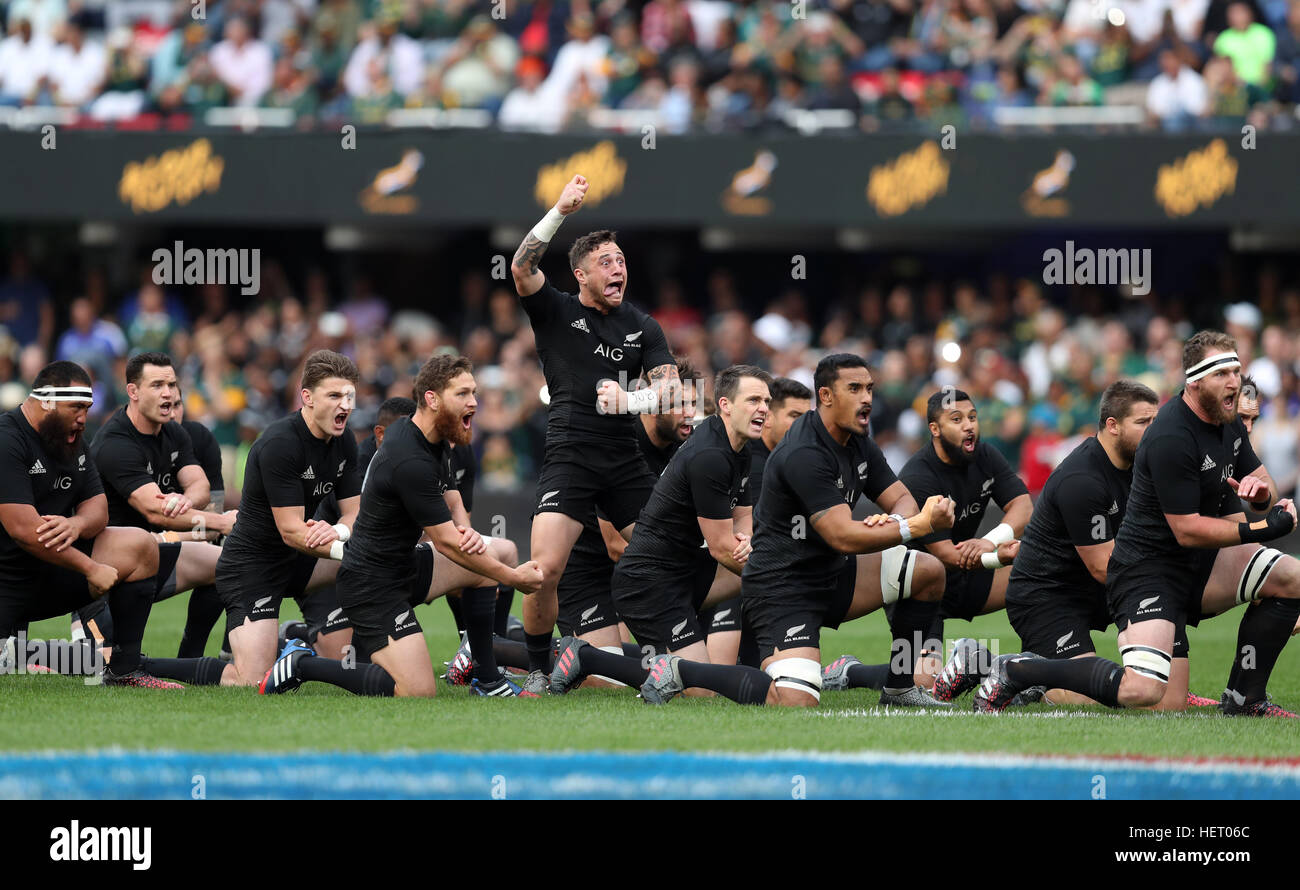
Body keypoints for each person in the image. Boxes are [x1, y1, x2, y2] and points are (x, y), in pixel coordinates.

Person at [977, 332, 1300, 717]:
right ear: (1194, 381)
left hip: (1186, 565)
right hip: (1146, 573)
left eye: (1236, 370)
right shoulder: (1167, 437)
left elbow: (1261, 491)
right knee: (1144, 692)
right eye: (1222, 373)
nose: (1234, 381)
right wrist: (1263, 529)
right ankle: (1017, 668)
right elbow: (1186, 530)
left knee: (1290, 576)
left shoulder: (1228, 424)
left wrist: (1261, 498)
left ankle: (1245, 699)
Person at [638, 354, 954, 709]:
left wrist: (897, 521)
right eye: (854, 388)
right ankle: (684, 670)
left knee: (928, 571)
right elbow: (842, 535)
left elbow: (902, 499)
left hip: (834, 572)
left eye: (869, 388)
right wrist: (919, 525)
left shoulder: (859, 441)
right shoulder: (803, 451)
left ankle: (899, 688)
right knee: (796, 700)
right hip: (786, 587)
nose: (866, 397)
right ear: (827, 396)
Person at [260, 355, 543, 697]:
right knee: (417, 691)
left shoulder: (434, 437)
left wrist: (465, 527)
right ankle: (303, 663)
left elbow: (452, 500)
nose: (474, 402)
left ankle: (487, 679)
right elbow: (446, 544)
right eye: (463, 393)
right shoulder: (409, 457)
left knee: (490, 556)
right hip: (371, 584)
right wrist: (513, 578)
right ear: (432, 399)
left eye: (474, 392)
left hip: (404, 565)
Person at [510, 172, 680, 693]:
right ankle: (539, 668)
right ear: (580, 275)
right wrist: (559, 210)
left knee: (670, 558)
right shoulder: (557, 310)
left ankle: (677, 653)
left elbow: (673, 393)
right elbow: (521, 266)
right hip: (571, 455)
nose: (618, 268)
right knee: (543, 571)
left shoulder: (642, 325)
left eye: (621, 261)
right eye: (605, 262)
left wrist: (633, 401)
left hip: (624, 460)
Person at [141, 350, 363, 687]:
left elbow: (354, 510)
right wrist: (341, 548)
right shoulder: (280, 443)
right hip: (254, 566)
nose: (345, 405)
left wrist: (339, 531)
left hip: (304, 557)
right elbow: (290, 532)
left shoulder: (344, 438)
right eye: (334, 396)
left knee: (382, 564)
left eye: (349, 396)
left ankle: (304, 638)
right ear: (307, 398)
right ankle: (142, 664)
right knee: (251, 679)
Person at [548, 365, 770, 694]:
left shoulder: (736, 448)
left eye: (767, 401)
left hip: (674, 568)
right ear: (726, 404)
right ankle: (584, 657)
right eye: (754, 400)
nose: (764, 408)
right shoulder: (699, 453)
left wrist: (748, 543)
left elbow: (741, 519)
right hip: (621, 574)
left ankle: (750, 659)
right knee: (698, 689)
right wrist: (780, 582)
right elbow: (617, 545)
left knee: (755, 569)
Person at [823, 387, 1031, 695]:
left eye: (972, 417)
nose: (969, 425)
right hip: (920, 585)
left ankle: (1033, 668)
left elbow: (1023, 505)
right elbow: (946, 555)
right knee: (923, 683)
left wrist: (991, 541)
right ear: (934, 429)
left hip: (966, 573)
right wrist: (996, 556)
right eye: (957, 419)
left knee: (1034, 573)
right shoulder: (919, 475)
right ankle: (851, 672)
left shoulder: (986, 455)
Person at [0, 361, 179, 688]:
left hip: (48, 570)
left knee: (140, 546)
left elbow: (99, 510)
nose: (84, 418)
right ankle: (27, 654)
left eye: (87, 407)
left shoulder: (71, 441)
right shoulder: (7, 440)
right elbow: (23, 531)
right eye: (76, 407)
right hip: (6, 578)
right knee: (6, 660)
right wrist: (89, 568)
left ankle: (125, 671)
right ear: (48, 401)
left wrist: (77, 525)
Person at [76, 353, 235, 663]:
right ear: (133, 392)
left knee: (229, 565)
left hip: (151, 556)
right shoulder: (115, 442)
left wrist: (187, 499)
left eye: (172, 385)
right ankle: (35, 652)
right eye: (158, 385)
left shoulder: (174, 432)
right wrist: (220, 522)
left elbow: (199, 486)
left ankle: (192, 657)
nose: (169, 393)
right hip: (104, 570)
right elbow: (155, 512)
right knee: (99, 663)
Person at [701, 376, 811, 668]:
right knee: (711, 676)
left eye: (807, 419)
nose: (803, 427)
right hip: (727, 573)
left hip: (761, 569)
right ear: (770, 419)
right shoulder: (749, 460)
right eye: (795, 417)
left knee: (765, 672)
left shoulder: (793, 459)